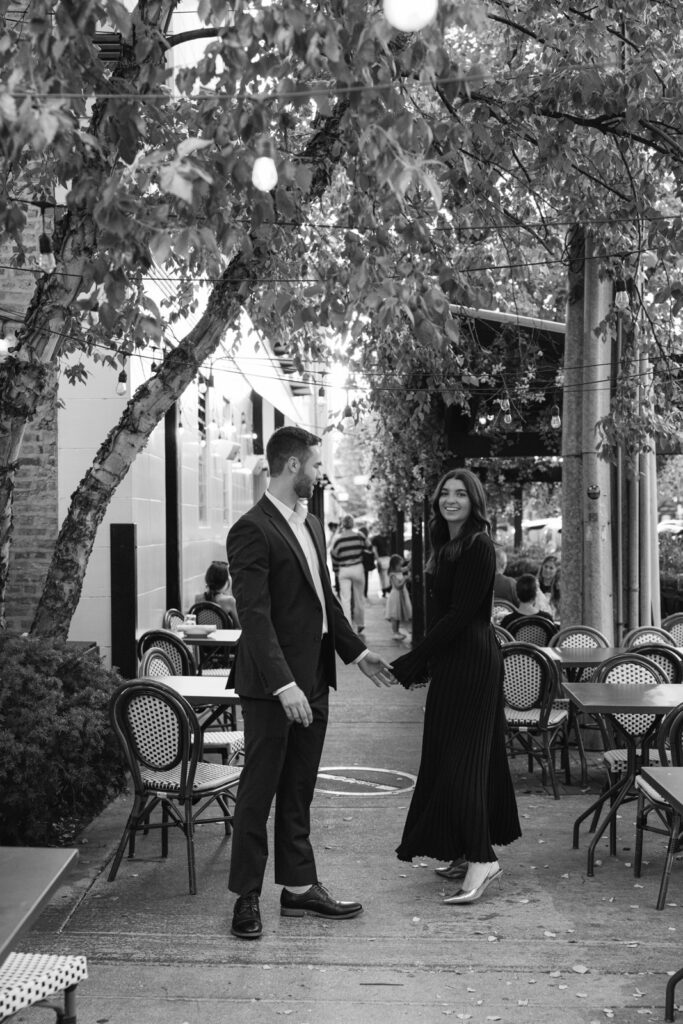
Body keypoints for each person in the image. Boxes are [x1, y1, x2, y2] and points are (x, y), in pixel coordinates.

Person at [225, 426, 394, 939]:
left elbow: (326, 600)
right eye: (317, 465)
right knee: (259, 791)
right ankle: (245, 899)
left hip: (315, 678)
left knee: (298, 789)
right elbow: (255, 616)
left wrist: (357, 652)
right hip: (273, 688)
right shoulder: (251, 529)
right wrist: (283, 685)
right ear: (293, 465)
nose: (322, 474)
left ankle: (298, 890)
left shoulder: (312, 525)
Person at [391, 468, 522, 904]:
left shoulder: (479, 546)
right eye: (445, 493)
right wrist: (429, 658)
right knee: (461, 758)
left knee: (462, 758)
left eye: (460, 494)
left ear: (474, 501)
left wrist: (418, 656)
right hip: (456, 660)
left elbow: (463, 613)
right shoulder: (447, 546)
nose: (451, 499)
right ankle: (470, 850)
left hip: (472, 662)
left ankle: (483, 859)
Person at [330, 514, 369, 635]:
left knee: (345, 600)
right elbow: (369, 547)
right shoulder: (360, 536)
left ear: (343, 525)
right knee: (359, 598)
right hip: (358, 568)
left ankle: (348, 627)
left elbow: (333, 555)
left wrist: (336, 570)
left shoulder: (338, 539)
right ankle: (361, 624)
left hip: (344, 570)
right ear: (353, 524)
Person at [195, 559, 241, 627]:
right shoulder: (230, 601)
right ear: (225, 581)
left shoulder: (198, 598)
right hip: (225, 637)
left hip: (204, 637)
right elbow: (239, 627)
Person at [385, 553, 412, 640]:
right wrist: (405, 579)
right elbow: (398, 585)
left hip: (401, 596)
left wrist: (412, 560)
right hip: (395, 596)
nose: (401, 567)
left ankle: (397, 631)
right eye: (399, 565)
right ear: (394, 565)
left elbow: (407, 568)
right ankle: (395, 632)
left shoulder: (399, 571)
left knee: (398, 615)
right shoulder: (393, 574)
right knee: (394, 616)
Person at [370, 527, 392, 596]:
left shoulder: (388, 538)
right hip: (381, 558)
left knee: (385, 575)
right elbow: (374, 550)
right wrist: (378, 559)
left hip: (387, 558)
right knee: (383, 575)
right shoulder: (376, 539)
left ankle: (385, 589)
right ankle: (385, 589)